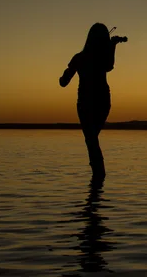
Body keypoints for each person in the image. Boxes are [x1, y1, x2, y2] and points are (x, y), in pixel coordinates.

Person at [59, 23, 126, 178]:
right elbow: (109, 66)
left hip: (85, 103)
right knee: (92, 139)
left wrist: (68, 71)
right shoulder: (101, 57)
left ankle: (98, 179)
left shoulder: (79, 57)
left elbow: (63, 82)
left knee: (91, 140)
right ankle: (98, 180)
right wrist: (113, 46)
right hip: (102, 101)